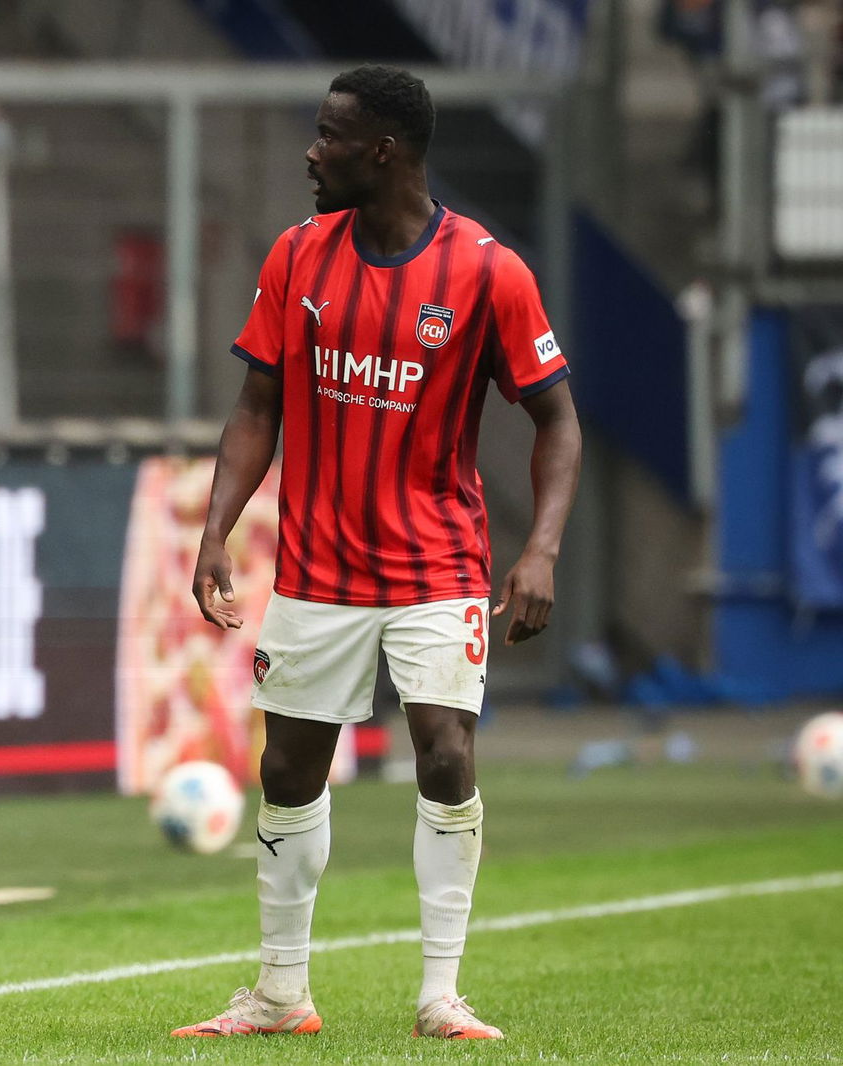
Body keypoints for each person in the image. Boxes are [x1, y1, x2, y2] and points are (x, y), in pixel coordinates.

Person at [174, 65, 581, 1042]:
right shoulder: (297, 256)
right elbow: (255, 407)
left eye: (329, 135)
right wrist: (215, 526)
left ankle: (441, 993)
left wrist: (540, 551)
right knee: (288, 769)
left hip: (437, 566)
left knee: (444, 751)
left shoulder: (488, 272)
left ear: (383, 151)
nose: (311, 152)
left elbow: (557, 422)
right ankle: (279, 993)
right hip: (318, 570)